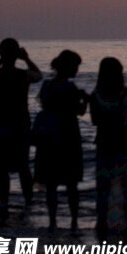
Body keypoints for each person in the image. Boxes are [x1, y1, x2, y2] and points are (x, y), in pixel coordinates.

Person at [0, 38, 43, 214]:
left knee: (2, 168)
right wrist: (26, 58)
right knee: (23, 166)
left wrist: (3, 59)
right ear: (17, 54)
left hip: (0, 124)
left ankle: (4, 202)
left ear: (0, 53)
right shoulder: (23, 75)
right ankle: (28, 201)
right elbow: (38, 75)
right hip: (20, 125)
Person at [34, 50, 88, 233]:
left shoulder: (46, 86)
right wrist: (85, 99)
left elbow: (45, 106)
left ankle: (52, 221)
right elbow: (80, 111)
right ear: (69, 67)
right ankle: (73, 221)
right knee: (71, 183)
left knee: (51, 183)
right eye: (76, 66)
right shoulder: (70, 88)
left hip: (48, 138)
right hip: (68, 136)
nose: (77, 70)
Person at [89, 57, 127, 238]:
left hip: (104, 145)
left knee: (104, 187)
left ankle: (102, 222)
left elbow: (94, 120)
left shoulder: (95, 96)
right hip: (126, 145)